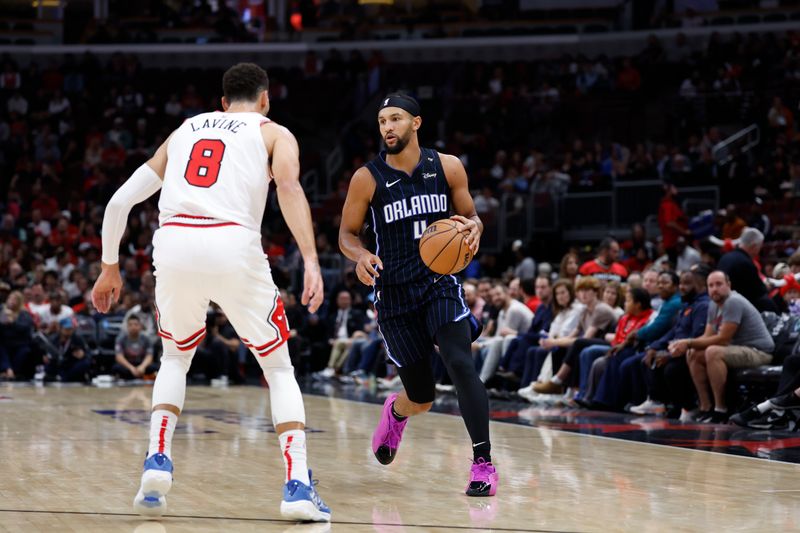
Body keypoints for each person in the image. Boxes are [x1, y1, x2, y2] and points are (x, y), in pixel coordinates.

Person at [91, 63, 330, 521]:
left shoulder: (184, 130)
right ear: (264, 100)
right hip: (232, 243)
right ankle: (298, 484)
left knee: (176, 358)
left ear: (222, 101)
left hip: (175, 241)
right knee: (278, 367)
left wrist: (109, 268)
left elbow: (119, 201)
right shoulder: (274, 132)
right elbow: (291, 188)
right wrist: (312, 262)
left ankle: (156, 460)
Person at [338, 93, 497, 496]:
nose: (387, 127)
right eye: (381, 121)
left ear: (416, 123)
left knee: (461, 363)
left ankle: (483, 464)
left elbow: (471, 215)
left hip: (439, 283)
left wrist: (475, 227)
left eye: (395, 119)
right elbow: (347, 234)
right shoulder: (367, 177)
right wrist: (359, 255)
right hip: (393, 294)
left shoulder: (447, 166)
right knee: (422, 397)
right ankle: (396, 411)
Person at [672, 270, 774, 423]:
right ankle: (705, 407)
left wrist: (687, 342)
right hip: (738, 349)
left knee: (713, 352)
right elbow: (707, 335)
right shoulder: (713, 304)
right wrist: (684, 345)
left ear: (729, 285)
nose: (714, 289)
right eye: (710, 285)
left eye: (719, 284)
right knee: (694, 353)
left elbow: (722, 339)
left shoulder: (733, 301)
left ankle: (720, 410)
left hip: (759, 351)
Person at [113, 314, 156, 380]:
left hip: (141, 363)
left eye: (136, 324)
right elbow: (119, 357)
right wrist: (131, 368)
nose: (133, 327)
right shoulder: (121, 338)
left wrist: (142, 367)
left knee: (155, 367)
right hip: (128, 364)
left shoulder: (146, 338)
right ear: (127, 327)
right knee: (116, 367)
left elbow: (149, 356)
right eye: (130, 325)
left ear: (140, 326)